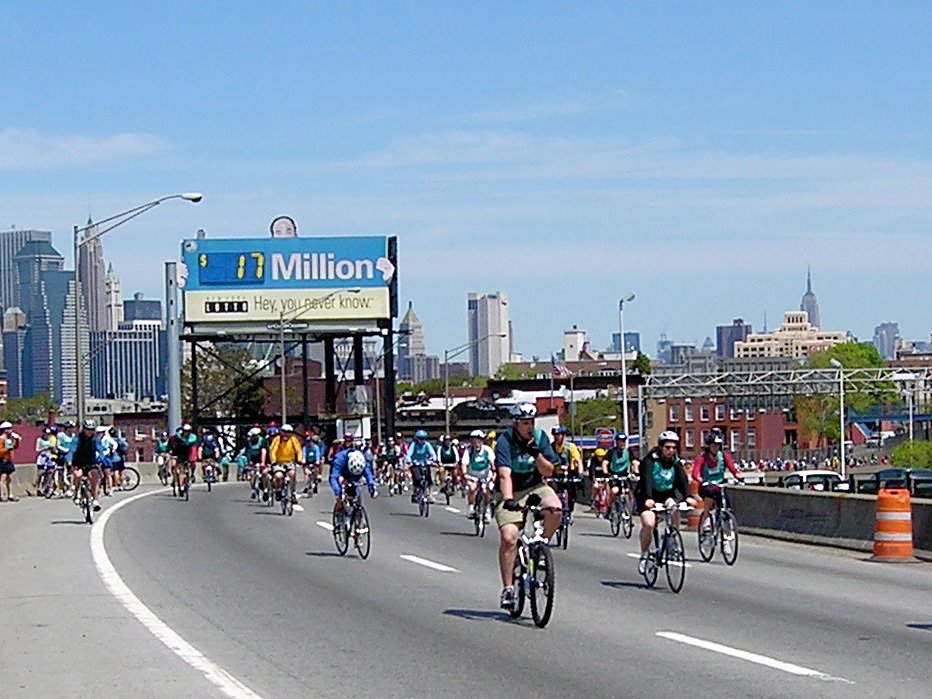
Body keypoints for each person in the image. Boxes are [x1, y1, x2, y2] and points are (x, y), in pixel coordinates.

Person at [495, 402, 562, 611]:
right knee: (509, 538)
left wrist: (537, 454)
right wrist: (508, 500)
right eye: (525, 423)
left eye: (531, 422)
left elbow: (549, 471)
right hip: (511, 490)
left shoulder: (540, 438)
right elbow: (504, 474)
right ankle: (508, 589)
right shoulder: (505, 441)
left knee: (555, 509)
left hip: (535, 486)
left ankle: (541, 546)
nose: (529, 426)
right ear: (516, 424)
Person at [635, 431, 695, 574]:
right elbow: (646, 480)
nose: (670, 451)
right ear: (661, 447)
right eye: (667, 447)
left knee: (674, 506)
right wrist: (648, 498)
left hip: (666, 494)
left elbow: (682, 480)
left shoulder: (675, 462)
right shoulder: (650, 461)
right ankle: (644, 555)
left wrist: (688, 496)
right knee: (649, 523)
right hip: (647, 494)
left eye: (674, 448)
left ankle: (671, 537)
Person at [691, 430, 743, 514]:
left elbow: (733, 469)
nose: (716, 448)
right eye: (713, 445)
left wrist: (739, 477)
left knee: (727, 507)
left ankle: (726, 522)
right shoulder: (701, 458)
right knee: (709, 500)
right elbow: (695, 474)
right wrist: (701, 480)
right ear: (709, 446)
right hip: (707, 486)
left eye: (718, 445)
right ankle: (705, 520)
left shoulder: (724, 456)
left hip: (719, 485)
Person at [329, 443, 378, 513]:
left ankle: (357, 518)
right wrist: (338, 493)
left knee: (357, 498)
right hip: (343, 475)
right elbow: (333, 477)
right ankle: (340, 510)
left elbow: (369, 476)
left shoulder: (363, 459)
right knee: (341, 494)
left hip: (356, 477)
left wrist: (372, 490)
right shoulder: (339, 459)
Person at [460, 429, 496, 521]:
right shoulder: (469, 450)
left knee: (486, 491)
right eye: (474, 440)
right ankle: (471, 507)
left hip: (486, 476)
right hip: (473, 476)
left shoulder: (488, 450)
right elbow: (464, 464)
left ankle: (487, 509)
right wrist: (464, 474)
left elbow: (492, 463)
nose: (477, 442)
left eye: (479, 440)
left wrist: (494, 473)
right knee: (472, 489)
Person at [68, 419, 103, 511]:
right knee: (77, 475)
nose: (90, 431)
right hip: (79, 462)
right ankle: (76, 493)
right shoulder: (77, 439)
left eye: (92, 429)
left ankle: (95, 500)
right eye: (88, 429)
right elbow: (71, 450)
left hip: (90, 462)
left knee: (94, 477)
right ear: (83, 429)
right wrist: (69, 460)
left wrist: (101, 459)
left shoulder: (95, 439)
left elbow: (100, 450)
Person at [550, 425, 583, 519]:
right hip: (555, 474)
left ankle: (569, 511)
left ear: (563, 436)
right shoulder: (550, 447)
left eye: (558, 435)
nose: (556, 437)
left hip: (569, 474)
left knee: (572, 494)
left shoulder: (570, 447)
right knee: (552, 492)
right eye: (555, 435)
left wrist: (580, 473)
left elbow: (578, 460)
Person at [601, 432, 638, 516]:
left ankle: (631, 509)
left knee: (630, 492)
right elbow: (605, 463)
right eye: (620, 441)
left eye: (624, 441)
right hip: (614, 476)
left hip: (625, 475)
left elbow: (634, 461)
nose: (622, 443)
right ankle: (609, 508)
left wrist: (636, 471)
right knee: (614, 491)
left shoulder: (628, 451)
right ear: (617, 442)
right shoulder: (611, 452)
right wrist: (606, 472)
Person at [268, 424, 303, 504]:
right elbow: (273, 450)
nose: (286, 434)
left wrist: (299, 459)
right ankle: (278, 490)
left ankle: (293, 493)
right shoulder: (277, 439)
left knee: (292, 474)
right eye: (284, 432)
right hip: (278, 462)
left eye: (289, 432)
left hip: (290, 462)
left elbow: (298, 450)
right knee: (278, 476)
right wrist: (273, 461)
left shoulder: (293, 440)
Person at [405, 429, 437, 504]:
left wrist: (434, 460)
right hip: (416, 463)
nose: (421, 440)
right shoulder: (413, 444)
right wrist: (409, 461)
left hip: (425, 463)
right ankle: (415, 492)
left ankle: (430, 495)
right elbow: (409, 454)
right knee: (417, 479)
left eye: (423, 439)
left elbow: (432, 453)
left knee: (429, 479)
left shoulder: (427, 444)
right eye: (420, 438)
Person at [170, 424, 198, 497]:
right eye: (185, 431)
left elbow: (194, 448)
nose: (187, 433)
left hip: (189, 452)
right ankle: (181, 486)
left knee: (193, 462)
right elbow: (172, 443)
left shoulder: (193, 438)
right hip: (180, 453)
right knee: (181, 470)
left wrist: (193, 458)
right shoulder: (178, 436)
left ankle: (192, 474)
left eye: (188, 431)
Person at [244, 427, 268, 498]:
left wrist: (263, 462)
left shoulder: (263, 440)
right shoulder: (249, 442)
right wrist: (249, 461)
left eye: (253, 436)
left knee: (264, 473)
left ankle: (265, 489)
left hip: (262, 459)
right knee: (251, 474)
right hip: (253, 460)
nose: (252, 437)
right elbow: (248, 452)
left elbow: (264, 451)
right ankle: (253, 490)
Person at [0, 421, 21, 502]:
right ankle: (2, 495)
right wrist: (6, 449)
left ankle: (10, 494)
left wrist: (17, 441)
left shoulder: (8, 439)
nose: (10, 430)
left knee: (10, 478)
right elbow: (0, 450)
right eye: (8, 429)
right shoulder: (1, 439)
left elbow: (13, 447)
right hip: (3, 460)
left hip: (9, 460)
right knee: (3, 478)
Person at [34, 427, 56, 493]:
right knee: (40, 472)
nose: (47, 435)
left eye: (48, 434)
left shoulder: (51, 440)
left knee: (51, 471)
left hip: (49, 457)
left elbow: (54, 448)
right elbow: (37, 449)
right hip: (42, 457)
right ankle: (37, 487)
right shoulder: (39, 440)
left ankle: (48, 486)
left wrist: (52, 448)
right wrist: (44, 448)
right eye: (46, 433)